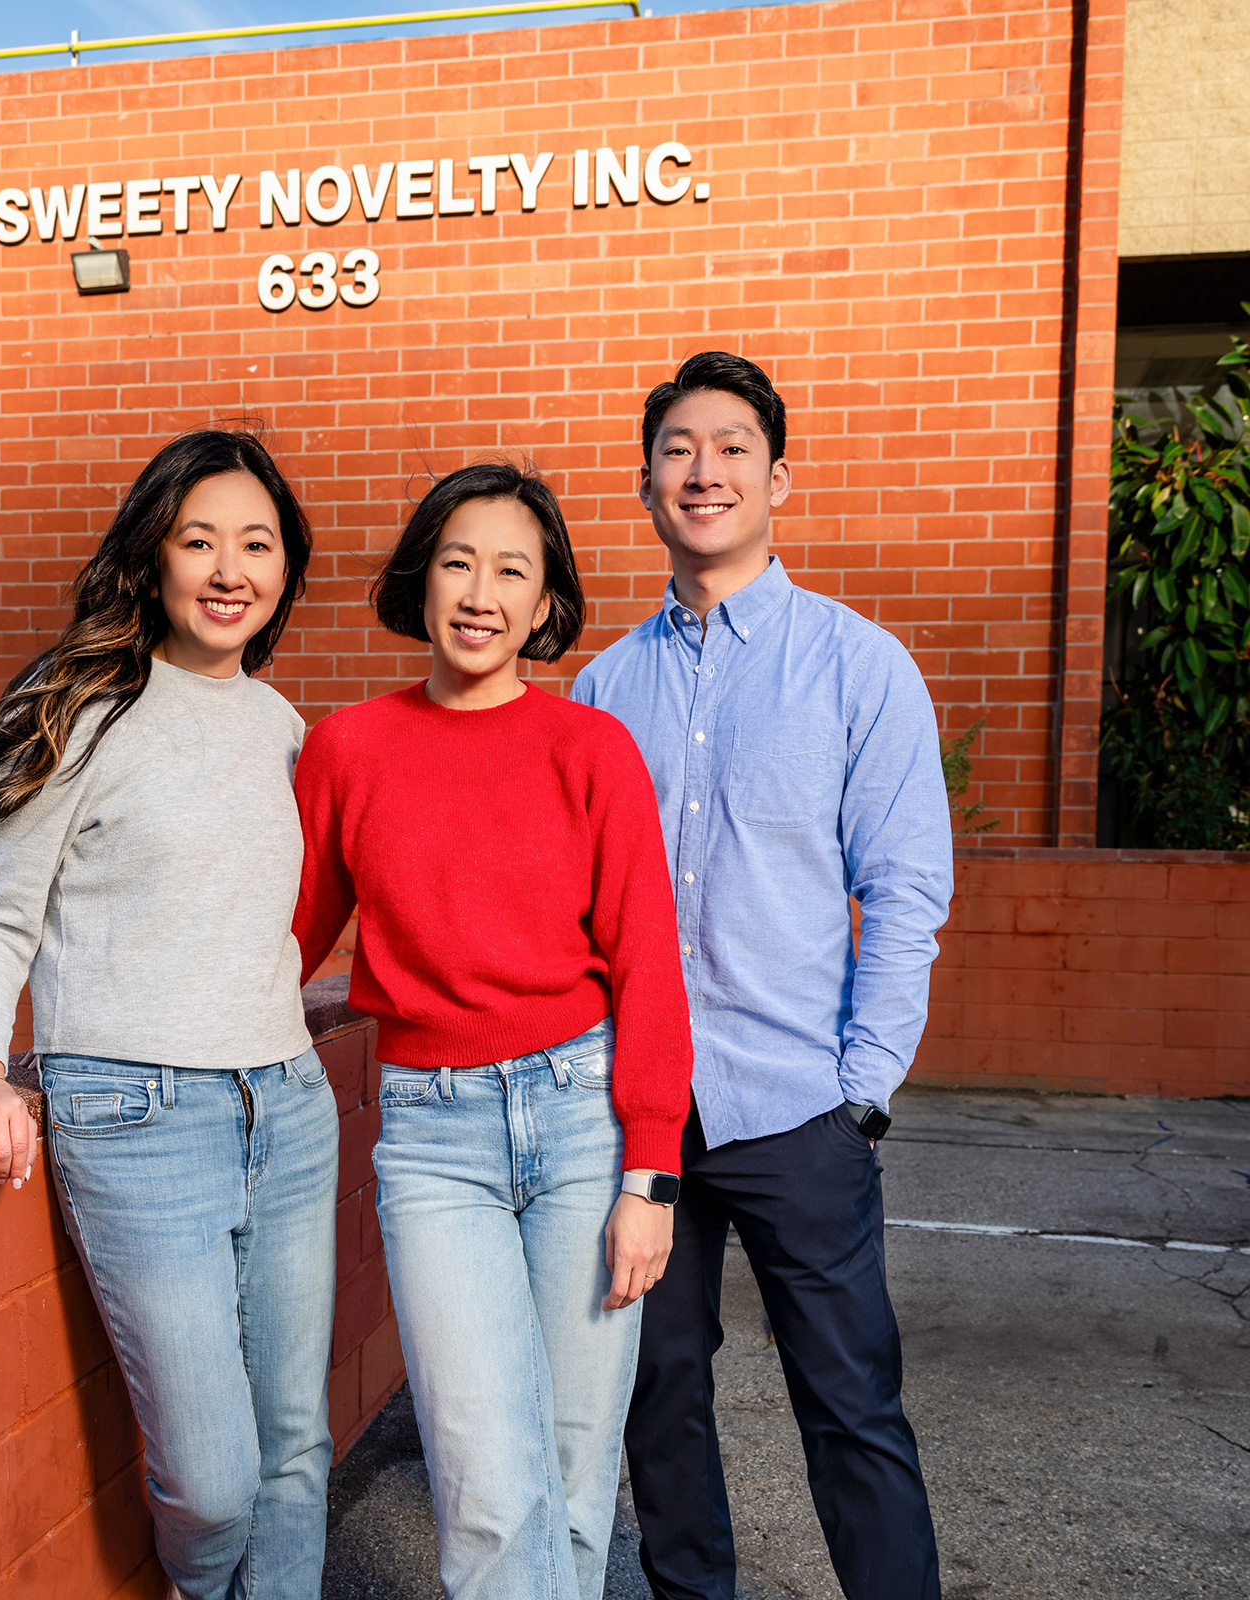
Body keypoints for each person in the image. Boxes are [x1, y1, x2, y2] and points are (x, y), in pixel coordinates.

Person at [572, 352, 951, 1600]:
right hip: (647, 1119)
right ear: (645, 483)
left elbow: (903, 888)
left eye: (733, 446)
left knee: (850, 1407)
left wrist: (863, 1093)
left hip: (799, 1109)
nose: (705, 470)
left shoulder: (859, 666)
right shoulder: (601, 689)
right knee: (661, 1406)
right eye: (679, 447)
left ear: (780, 478)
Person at [0, 429, 336, 1600]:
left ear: (283, 568)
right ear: (152, 558)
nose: (229, 568)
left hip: (288, 1103)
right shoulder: (79, 705)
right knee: (215, 1478)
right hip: (133, 1113)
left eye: (256, 543)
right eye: (198, 539)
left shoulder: (281, 724)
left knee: (296, 1452)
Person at [293, 461, 693, 1600]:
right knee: (482, 1479)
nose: (480, 591)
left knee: (570, 1477)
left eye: (510, 569)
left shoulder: (591, 751)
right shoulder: (348, 751)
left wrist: (649, 1176)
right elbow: (282, 940)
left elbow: (648, 967)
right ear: (421, 580)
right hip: (432, 1136)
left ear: (544, 601)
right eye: (458, 561)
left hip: (584, 1123)